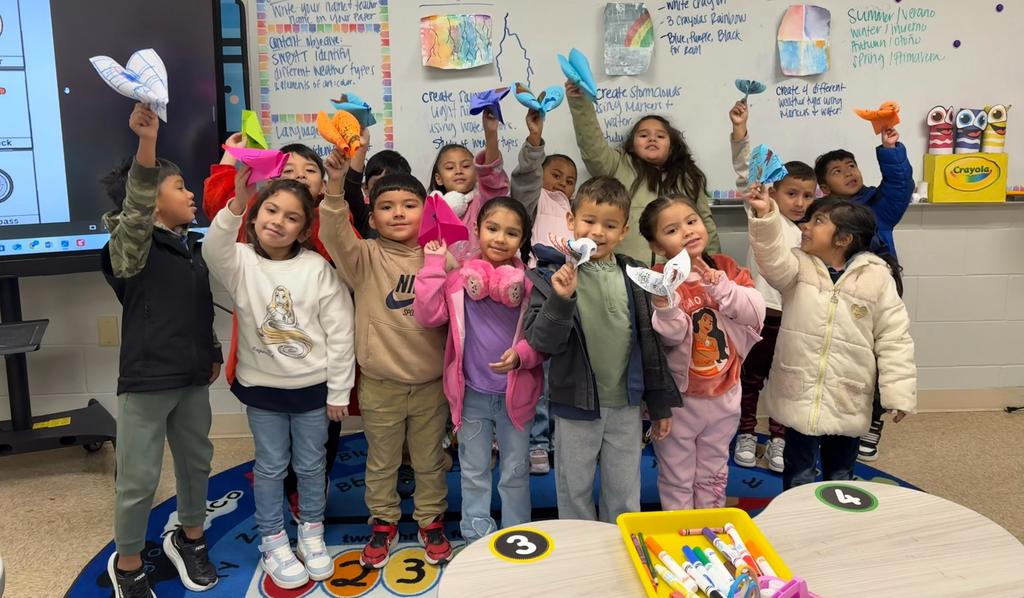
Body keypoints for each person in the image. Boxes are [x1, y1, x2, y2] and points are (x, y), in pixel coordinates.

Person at [204, 171, 356, 589]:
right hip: (263, 391)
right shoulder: (240, 263)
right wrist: (236, 202)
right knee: (271, 467)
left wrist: (340, 390)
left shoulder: (318, 269)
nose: (277, 221)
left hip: (313, 390)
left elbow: (341, 333)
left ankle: (311, 531)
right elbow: (212, 247)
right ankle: (272, 540)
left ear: (305, 229)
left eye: (291, 217)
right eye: (270, 210)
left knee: (311, 465)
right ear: (254, 217)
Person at [100, 103, 220, 596]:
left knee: (196, 462)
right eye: (181, 187)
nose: (191, 193)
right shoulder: (131, 247)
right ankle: (127, 563)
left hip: (192, 378)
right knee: (138, 479)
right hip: (148, 381)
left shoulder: (188, 248)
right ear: (150, 200)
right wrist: (147, 145)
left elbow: (198, 309)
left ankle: (190, 538)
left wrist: (210, 350)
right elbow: (132, 214)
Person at [318, 169, 455, 568]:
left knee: (430, 459)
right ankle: (383, 521)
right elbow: (333, 231)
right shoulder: (363, 258)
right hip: (380, 384)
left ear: (425, 212)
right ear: (372, 217)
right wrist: (335, 183)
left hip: (430, 385)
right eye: (386, 207)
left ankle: (430, 521)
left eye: (409, 206)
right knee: (381, 460)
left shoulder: (440, 257)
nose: (398, 213)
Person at [523, 176, 680, 523]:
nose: (597, 232)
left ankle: (619, 553)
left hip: (626, 407)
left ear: (623, 231)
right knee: (573, 490)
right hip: (574, 407)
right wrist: (561, 300)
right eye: (589, 221)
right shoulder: (550, 275)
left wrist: (658, 402)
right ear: (570, 222)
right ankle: (580, 553)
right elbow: (541, 342)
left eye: (609, 225)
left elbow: (650, 345)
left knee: (624, 493)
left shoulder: (636, 275)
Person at [745, 185, 916, 489]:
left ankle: (837, 528)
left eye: (818, 221)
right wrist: (765, 213)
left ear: (844, 239)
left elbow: (894, 337)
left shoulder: (877, 277)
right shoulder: (797, 267)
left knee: (840, 476)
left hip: (847, 395)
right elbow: (770, 258)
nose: (805, 226)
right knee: (799, 474)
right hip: (801, 393)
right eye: (808, 220)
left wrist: (898, 392)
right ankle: (798, 527)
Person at [414, 197, 545, 542]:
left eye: (512, 232)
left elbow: (542, 338)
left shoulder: (530, 287)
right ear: (477, 230)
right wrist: (432, 265)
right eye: (492, 228)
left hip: (515, 399)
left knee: (516, 471)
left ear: (523, 240)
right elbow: (428, 316)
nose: (500, 238)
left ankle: (518, 534)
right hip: (471, 395)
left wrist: (522, 355)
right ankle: (476, 536)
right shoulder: (459, 280)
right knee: (473, 471)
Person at [637, 194, 765, 509]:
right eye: (672, 230)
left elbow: (755, 313)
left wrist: (721, 288)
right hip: (681, 401)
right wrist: (666, 305)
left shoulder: (726, 267)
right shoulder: (658, 281)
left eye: (691, 221)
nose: (687, 231)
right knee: (677, 474)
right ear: (657, 245)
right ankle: (680, 527)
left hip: (725, 394)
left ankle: (709, 524)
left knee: (713, 470)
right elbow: (670, 337)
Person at [728, 99, 819, 472]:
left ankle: (779, 439)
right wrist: (740, 132)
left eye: (808, 195)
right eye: (791, 193)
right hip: (760, 315)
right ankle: (747, 433)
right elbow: (746, 173)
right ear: (774, 193)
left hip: (796, 318)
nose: (799, 202)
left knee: (786, 381)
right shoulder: (764, 214)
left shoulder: (815, 230)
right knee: (750, 379)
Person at [814, 124, 914, 461]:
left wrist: (890, 151)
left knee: (872, 360)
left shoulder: (878, 207)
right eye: (838, 171)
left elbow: (900, 186)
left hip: (873, 300)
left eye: (851, 166)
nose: (849, 173)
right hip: (835, 300)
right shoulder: (820, 218)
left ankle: (872, 422)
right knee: (838, 357)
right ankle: (829, 422)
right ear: (825, 187)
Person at [565, 81, 719, 261]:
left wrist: (714, 262)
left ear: (671, 146)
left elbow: (705, 222)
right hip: (626, 274)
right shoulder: (618, 164)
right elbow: (591, 145)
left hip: (677, 277)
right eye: (644, 135)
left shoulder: (688, 177)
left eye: (660, 136)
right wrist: (580, 100)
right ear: (632, 144)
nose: (652, 139)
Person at [510, 109, 580, 474]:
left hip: (570, 289)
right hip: (538, 286)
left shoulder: (576, 210)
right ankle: (537, 441)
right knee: (537, 366)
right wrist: (535, 144)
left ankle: (558, 439)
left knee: (561, 373)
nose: (563, 185)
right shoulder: (535, 201)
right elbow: (523, 181)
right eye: (556, 175)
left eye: (570, 180)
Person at [427, 111, 510, 260]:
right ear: (439, 179)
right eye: (450, 168)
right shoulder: (432, 209)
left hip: (481, 276)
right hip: (448, 279)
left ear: (477, 172)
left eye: (466, 166)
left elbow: (492, 175)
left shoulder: (482, 201)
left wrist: (491, 133)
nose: (458, 171)